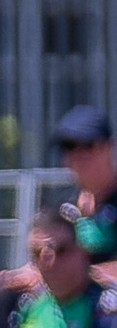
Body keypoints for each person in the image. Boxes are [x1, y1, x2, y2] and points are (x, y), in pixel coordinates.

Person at [54, 106, 117, 262]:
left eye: (87, 145)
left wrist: (87, 273)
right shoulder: (64, 206)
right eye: (69, 146)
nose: (78, 155)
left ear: (109, 147)